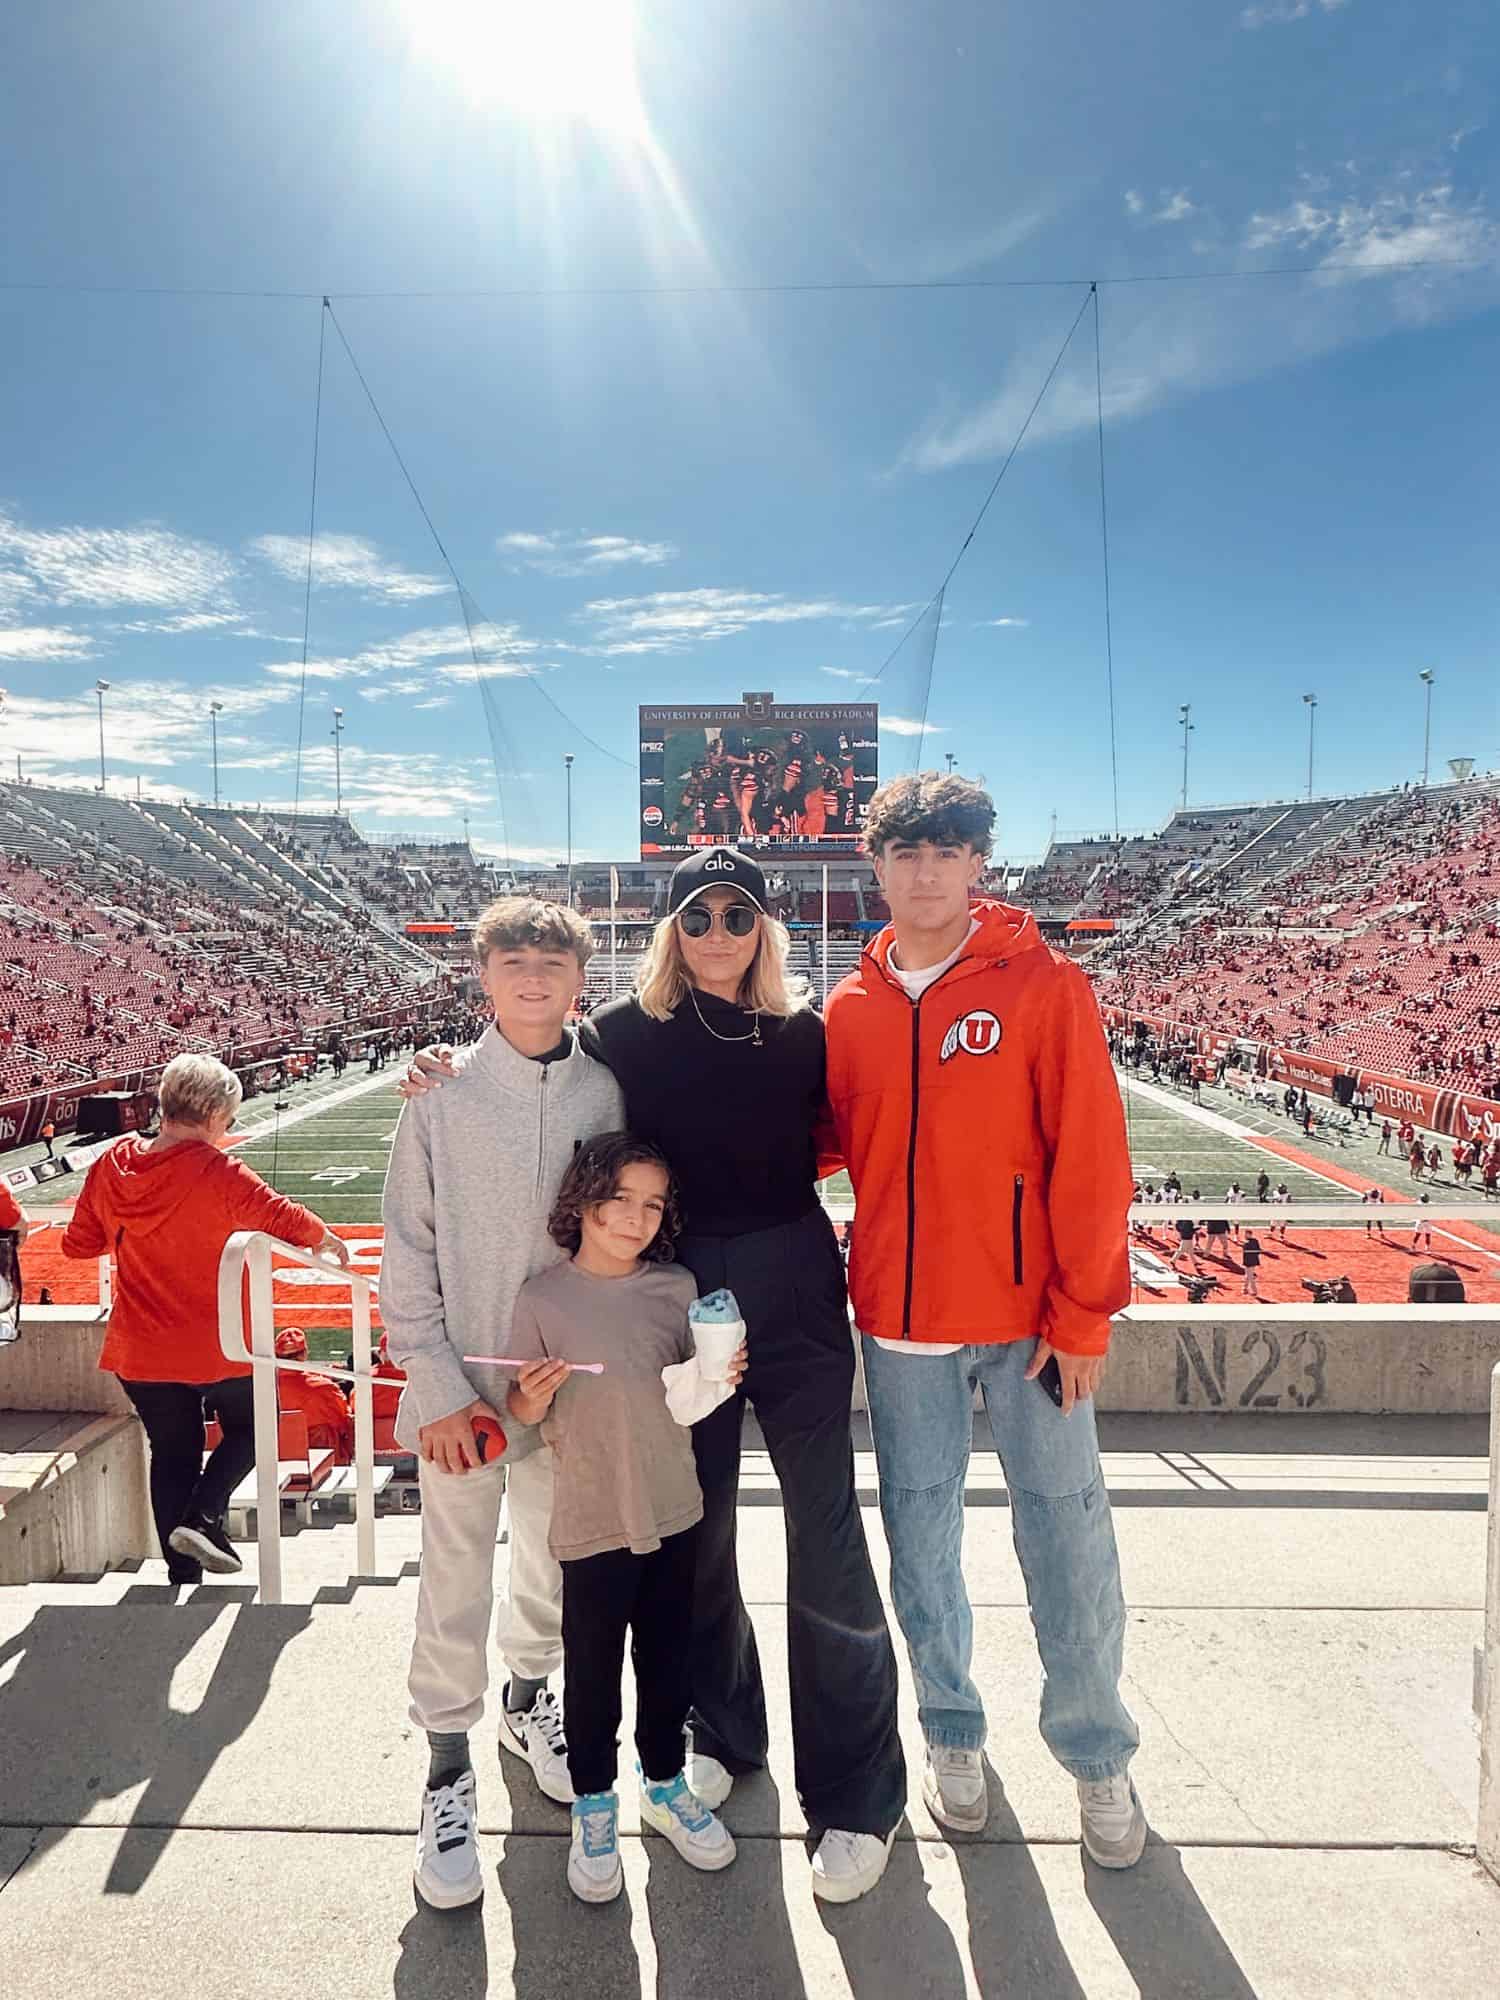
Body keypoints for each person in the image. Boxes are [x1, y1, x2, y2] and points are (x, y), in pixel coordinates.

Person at [402, 847, 907, 1903]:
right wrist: (438, 1066)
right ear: (668, 927)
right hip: (671, 1291)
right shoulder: (618, 1038)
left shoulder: (808, 1031)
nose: (717, 931)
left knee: (826, 1528)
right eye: (697, 914)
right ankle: (722, 1730)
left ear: (765, 926)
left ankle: (857, 1789)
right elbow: (520, 1050)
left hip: (791, 1278)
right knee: (696, 1525)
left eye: (737, 914)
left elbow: (862, 1135)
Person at [825, 772, 1146, 1870]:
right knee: (920, 1538)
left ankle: (1098, 1752)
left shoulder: (1045, 983)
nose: (925, 869)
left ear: (978, 863)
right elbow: (818, 1141)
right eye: (906, 849)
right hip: (903, 1320)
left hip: (1029, 1318)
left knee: (1065, 1531)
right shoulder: (850, 1005)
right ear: (877, 863)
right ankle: (952, 1731)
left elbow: (1094, 1154)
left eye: (948, 849)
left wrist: (1085, 1310)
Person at [381, 897, 624, 1911]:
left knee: (548, 1564)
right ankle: (445, 1762)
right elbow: (406, 1248)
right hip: (464, 1388)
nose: (532, 976)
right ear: (482, 973)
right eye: (513, 959)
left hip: (560, 1379)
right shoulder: (437, 1094)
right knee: (452, 1573)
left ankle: (529, 1701)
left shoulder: (604, 1090)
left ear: (580, 978)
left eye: (551, 960)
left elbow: (616, 1237)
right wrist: (433, 1386)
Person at [507, 1134, 745, 1903]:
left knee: (667, 1660)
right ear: (581, 1198)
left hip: (673, 1506)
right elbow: (518, 1405)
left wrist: (719, 1374)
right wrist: (532, 1395)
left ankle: (666, 1781)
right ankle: (593, 1799)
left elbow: (689, 1393)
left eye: (652, 1204)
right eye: (619, 1199)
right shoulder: (541, 1298)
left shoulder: (676, 1288)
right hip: (591, 1516)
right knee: (593, 1672)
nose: (636, 1217)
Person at [60, 1053, 347, 1585]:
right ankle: (204, 1515)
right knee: (258, 1425)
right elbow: (279, 1214)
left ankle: (182, 1574)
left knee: (172, 1454)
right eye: (230, 1117)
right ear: (214, 1113)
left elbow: (78, 1245)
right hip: (215, 1343)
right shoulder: (217, 1169)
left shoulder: (113, 1162)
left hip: (141, 1346)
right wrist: (325, 1238)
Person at [273, 1324, 354, 1462]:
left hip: (276, 1457)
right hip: (322, 1458)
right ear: (304, 1353)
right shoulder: (324, 1388)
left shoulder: (260, 1388)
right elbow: (344, 1421)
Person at [1240, 1232, 1262, 1299]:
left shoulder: (1246, 1244)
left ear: (1249, 1235)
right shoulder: (1255, 1241)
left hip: (1248, 1262)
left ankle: (1254, 1291)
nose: (1245, 1236)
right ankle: (1245, 1289)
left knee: (1250, 1277)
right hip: (1254, 1261)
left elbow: (1245, 1253)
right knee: (1247, 1275)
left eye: (1246, 1235)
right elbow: (1258, 1251)